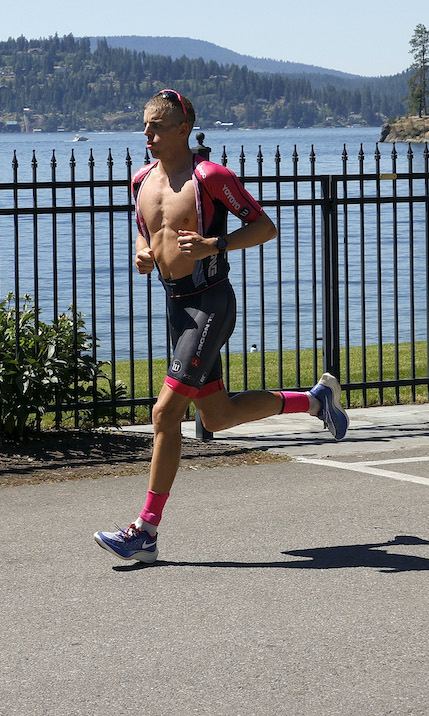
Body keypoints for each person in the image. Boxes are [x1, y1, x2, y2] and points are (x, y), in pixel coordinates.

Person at [94, 89, 349, 563]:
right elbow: (147, 232)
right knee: (218, 416)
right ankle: (316, 400)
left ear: (183, 129)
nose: (147, 134)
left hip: (211, 304)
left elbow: (265, 227)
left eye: (157, 126)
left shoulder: (210, 177)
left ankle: (145, 530)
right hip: (177, 306)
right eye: (145, 125)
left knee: (165, 414)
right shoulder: (140, 180)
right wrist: (143, 253)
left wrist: (216, 244)